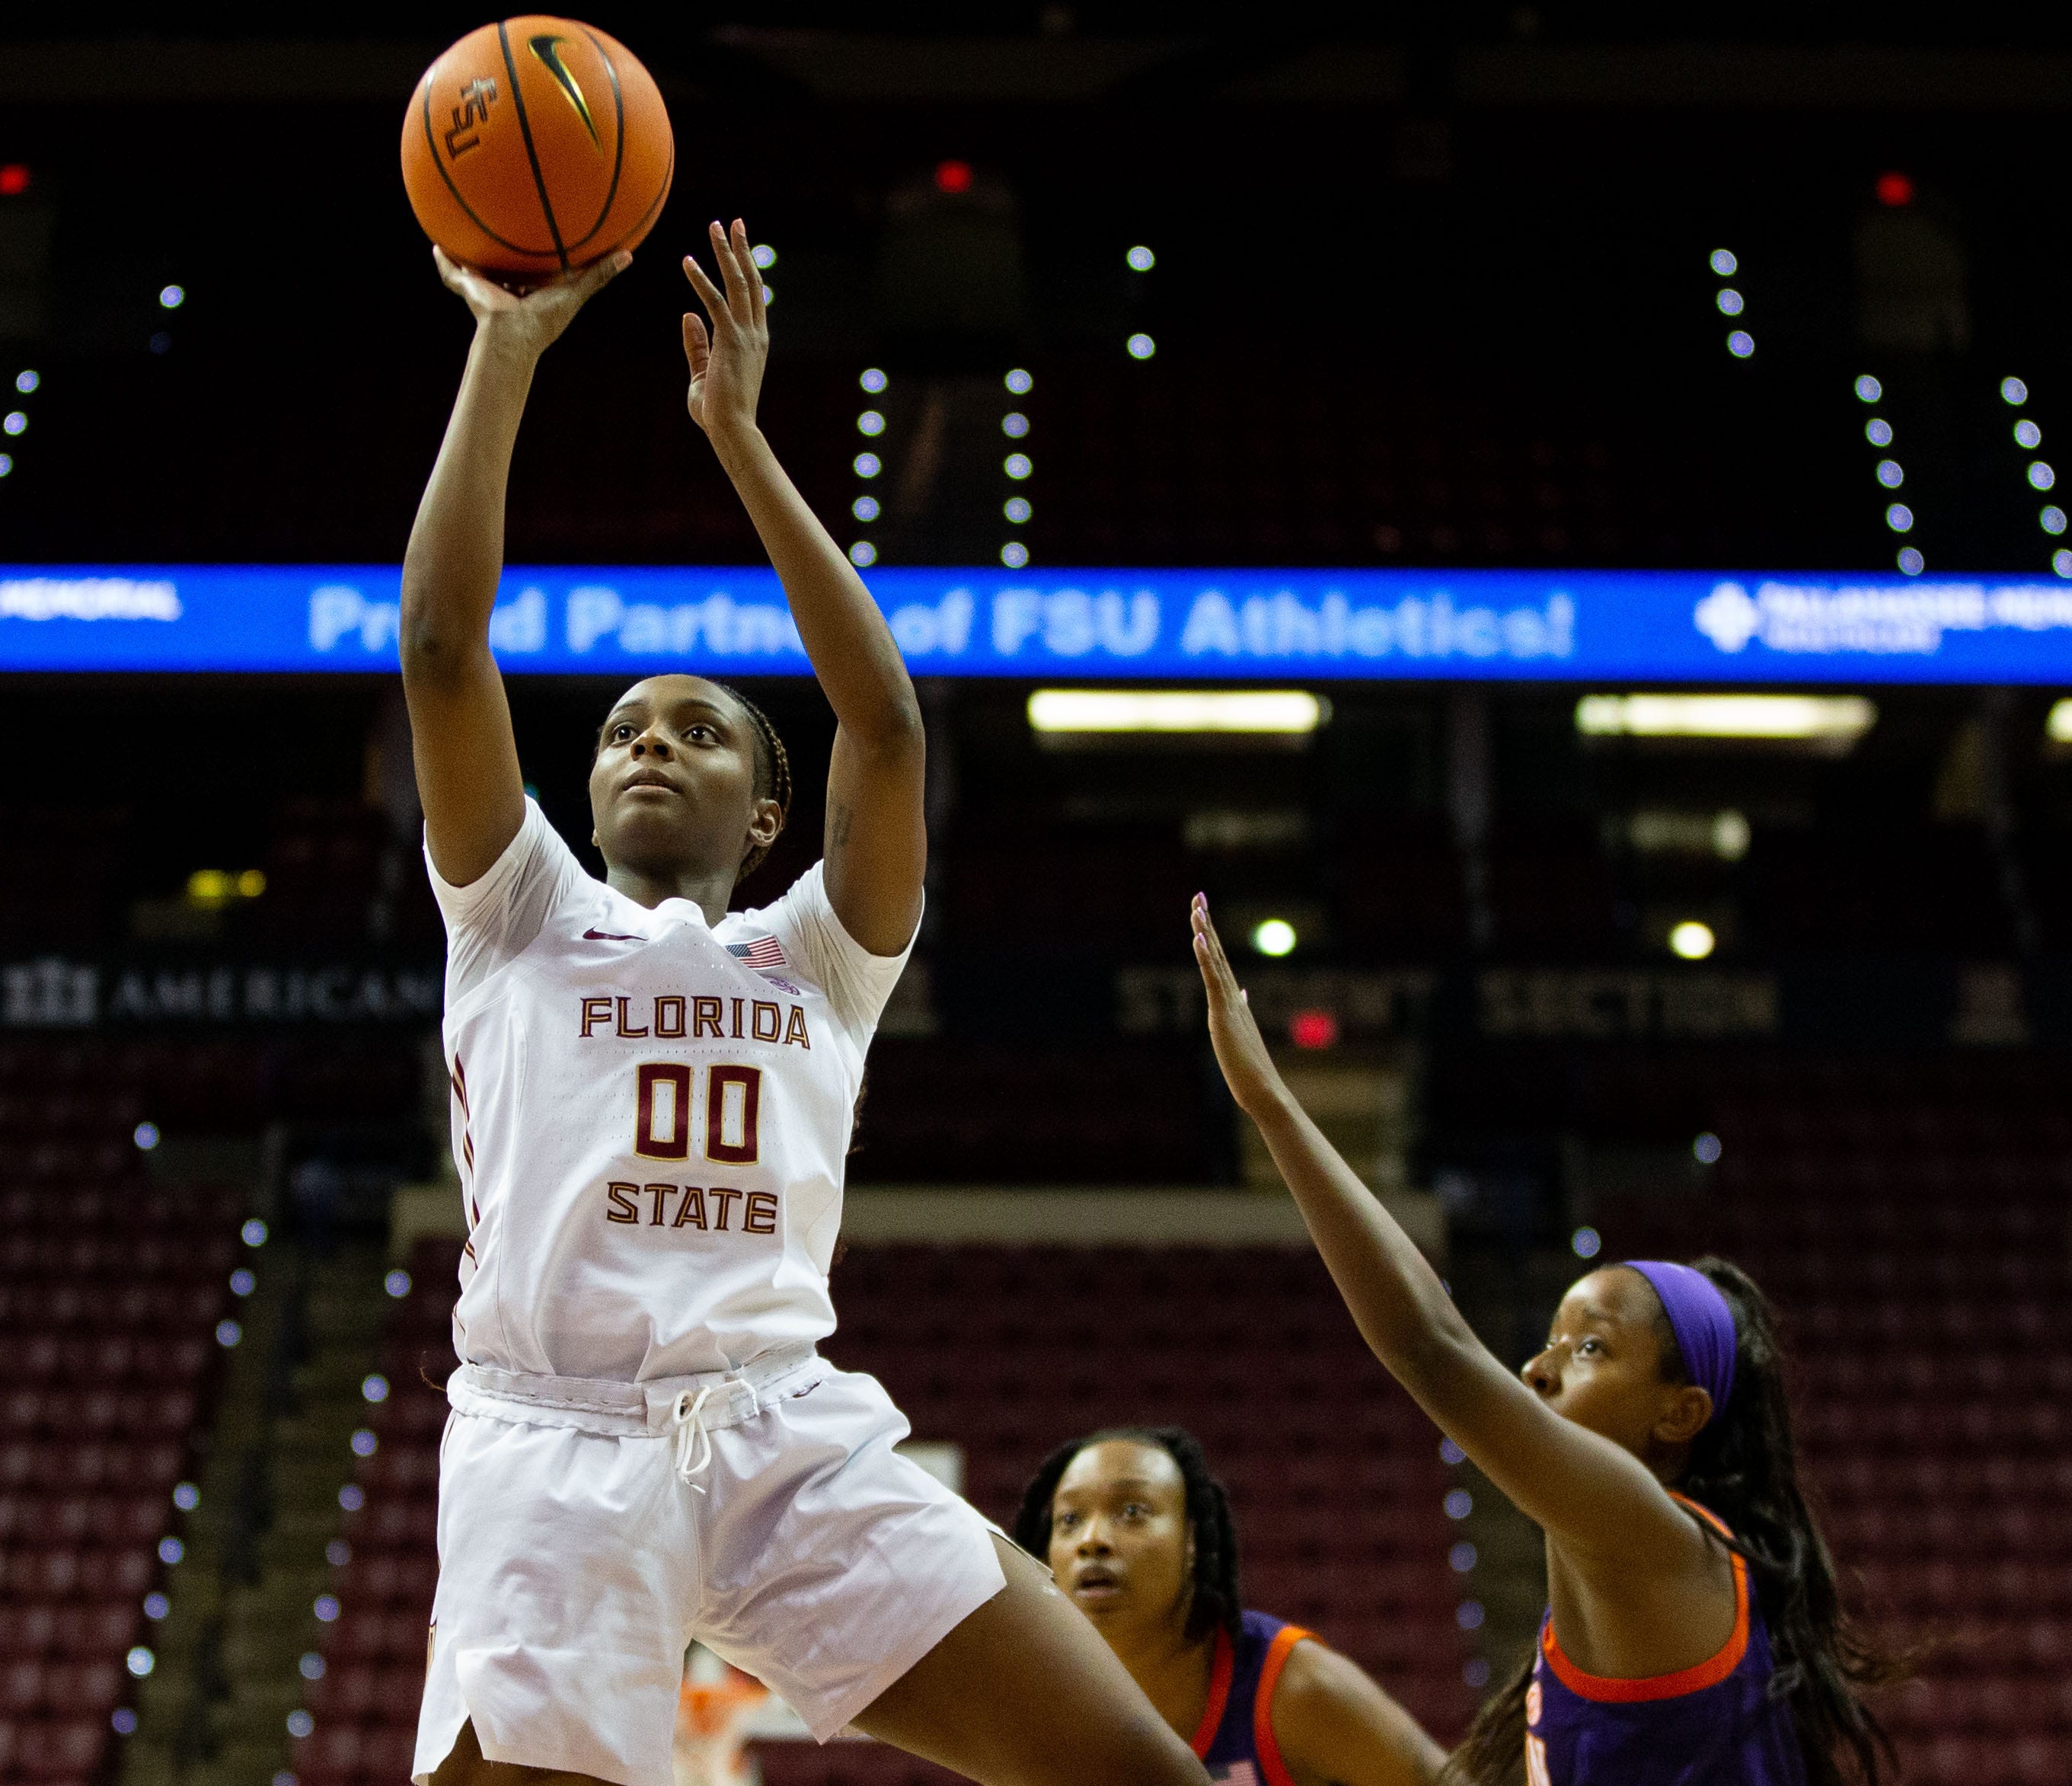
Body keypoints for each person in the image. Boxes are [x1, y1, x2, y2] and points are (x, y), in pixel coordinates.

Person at [399, 219, 1209, 1786]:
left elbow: (886, 723)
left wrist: (740, 441)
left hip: (783, 1428)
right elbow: (441, 642)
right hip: (555, 1440)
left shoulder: (818, 951)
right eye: (625, 725)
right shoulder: (516, 910)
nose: (646, 740)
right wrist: (506, 345)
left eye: (697, 731)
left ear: (764, 814)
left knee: (1138, 1767)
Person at [1186, 895, 1901, 1786]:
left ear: (1681, 1412)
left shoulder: (1664, 1538)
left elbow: (1431, 1345)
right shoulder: (1599, 1591)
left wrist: (1272, 1103)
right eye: (1552, 1337)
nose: (1537, 1365)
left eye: (1590, 1347)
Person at [1014, 1426, 1446, 1786]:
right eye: (1069, 1519)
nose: (1092, 1540)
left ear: (1191, 1542)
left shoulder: (1291, 1687)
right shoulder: (1038, 1708)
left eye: (1132, 1511)